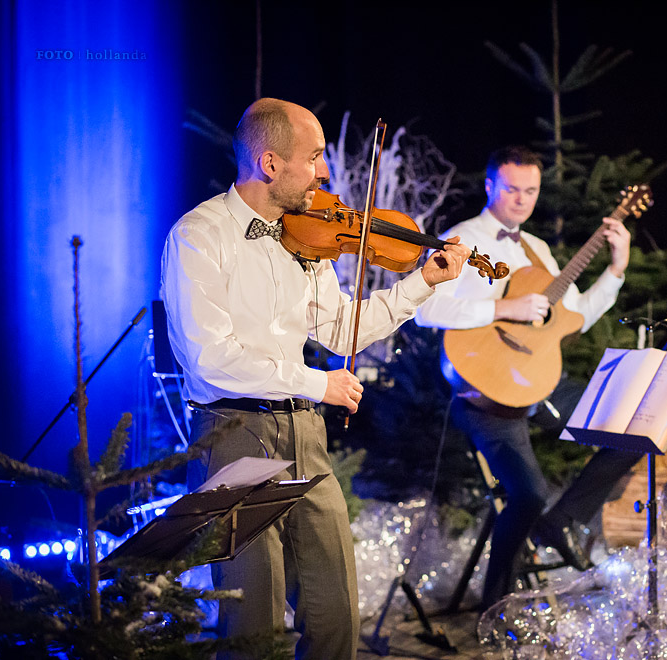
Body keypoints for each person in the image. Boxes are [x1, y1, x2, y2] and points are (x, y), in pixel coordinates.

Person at [160, 98, 471, 660]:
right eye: (316, 156)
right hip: (233, 436)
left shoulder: (306, 239)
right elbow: (210, 359)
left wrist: (421, 282)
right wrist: (314, 383)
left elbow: (344, 327)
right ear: (271, 163)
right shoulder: (199, 235)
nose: (325, 171)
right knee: (252, 622)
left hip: (306, 435)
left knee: (335, 613)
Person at [415, 146, 643, 609]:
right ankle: (495, 606)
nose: (522, 199)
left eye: (531, 191)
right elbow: (423, 308)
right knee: (529, 493)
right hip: (483, 393)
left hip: (539, 381)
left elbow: (573, 315)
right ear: (489, 187)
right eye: (512, 189)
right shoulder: (460, 239)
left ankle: (564, 522)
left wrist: (616, 268)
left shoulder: (536, 250)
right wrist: (504, 307)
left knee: (632, 428)